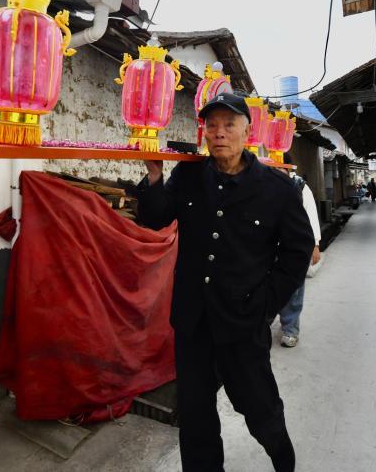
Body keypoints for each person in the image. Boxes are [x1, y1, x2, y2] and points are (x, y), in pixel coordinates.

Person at [137, 92, 315, 472]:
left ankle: (283, 460)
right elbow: (155, 219)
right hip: (193, 322)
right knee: (196, 416)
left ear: (247, 131)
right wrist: (154, 178)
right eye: (211, 125)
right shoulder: (187, 176)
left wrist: (266, 304)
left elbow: (297, 253)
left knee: (259, 407)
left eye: (229, 124)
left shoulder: (277, 189)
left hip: (243, 322)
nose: (218, 133)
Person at [278, 176, 322, 348]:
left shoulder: (299, 185)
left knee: (294, 290)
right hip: (268, 248)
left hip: (294, 248)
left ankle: (290, 330)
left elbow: (311, 215)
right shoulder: (259, 180)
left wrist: (315, 245)